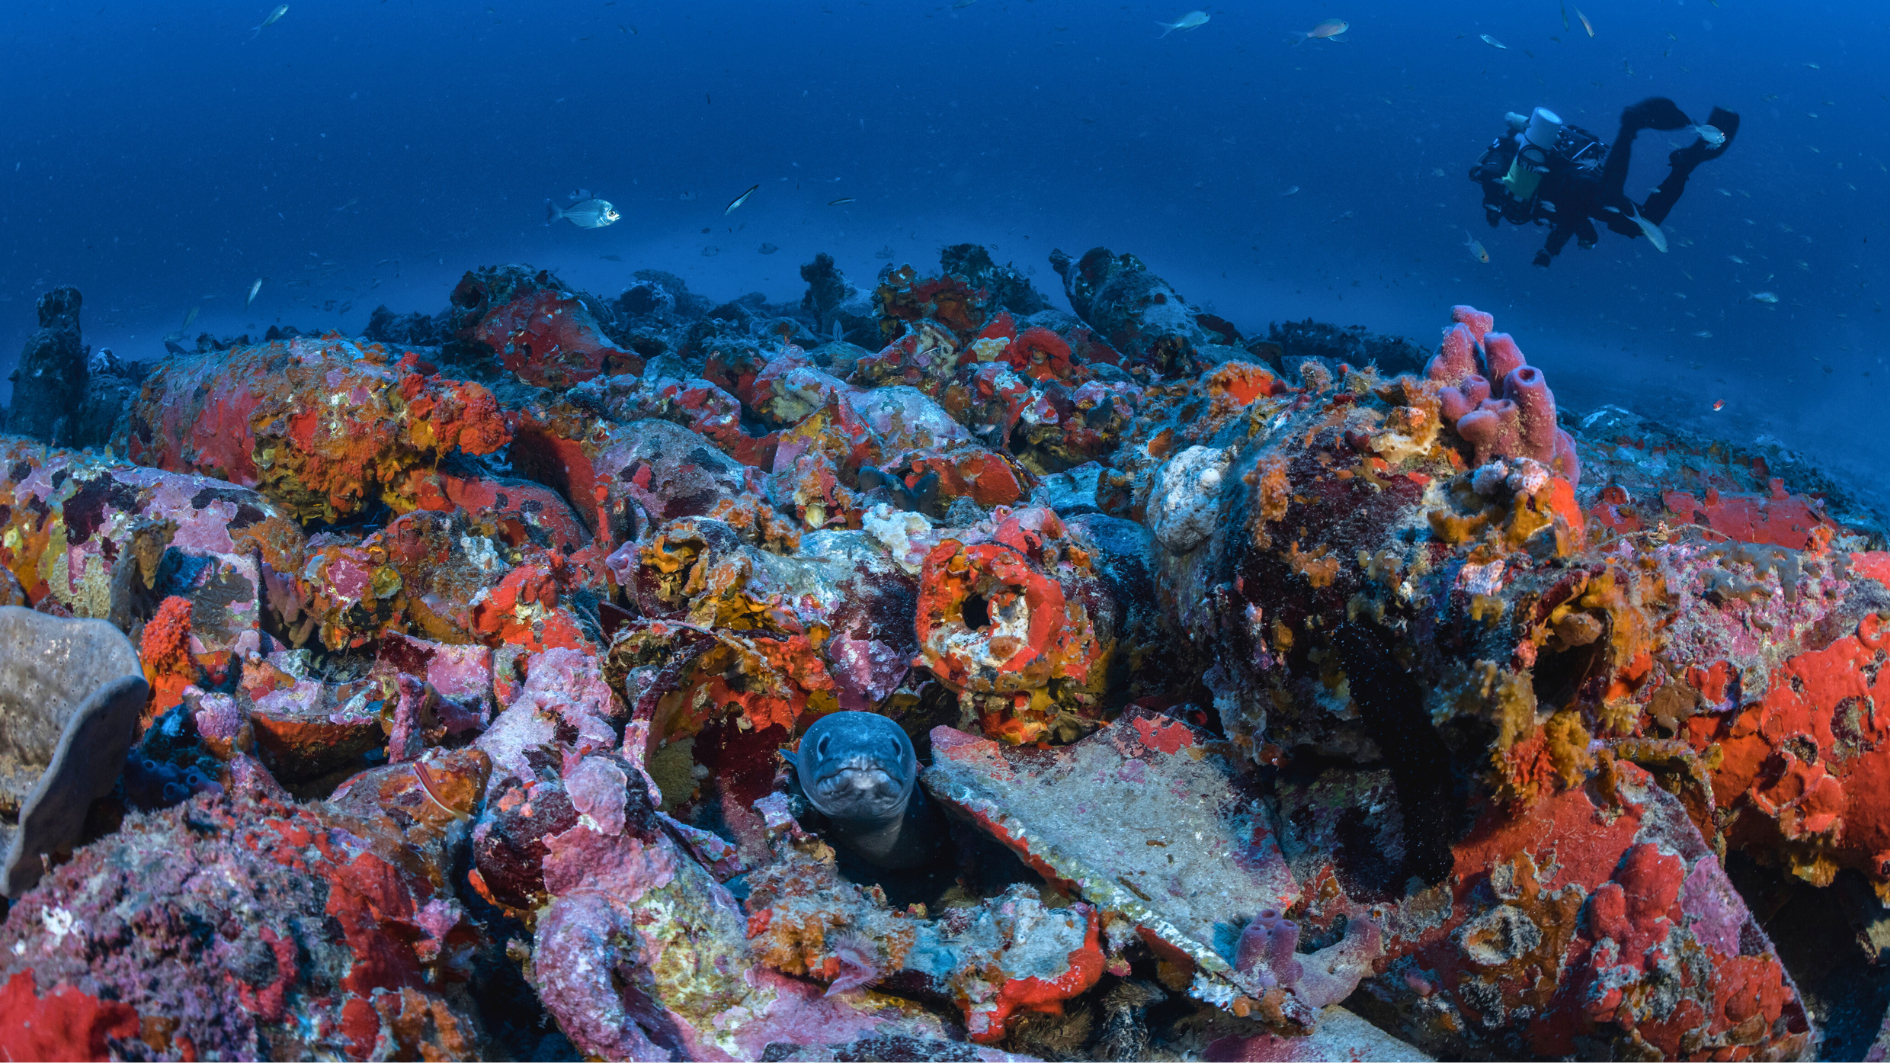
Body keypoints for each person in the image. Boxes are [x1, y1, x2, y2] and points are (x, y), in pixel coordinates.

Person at [1469, 97, 1739, 267]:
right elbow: (1570, 217)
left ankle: (1630, 125)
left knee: (1610, 199)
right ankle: (1685, 163)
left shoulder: (1503, 156)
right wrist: (1550, 251)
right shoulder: (1514, 175)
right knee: (1643, 223)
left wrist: (1490, 201)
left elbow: (1491, 172)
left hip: (1574, 184)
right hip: (1579, 189)